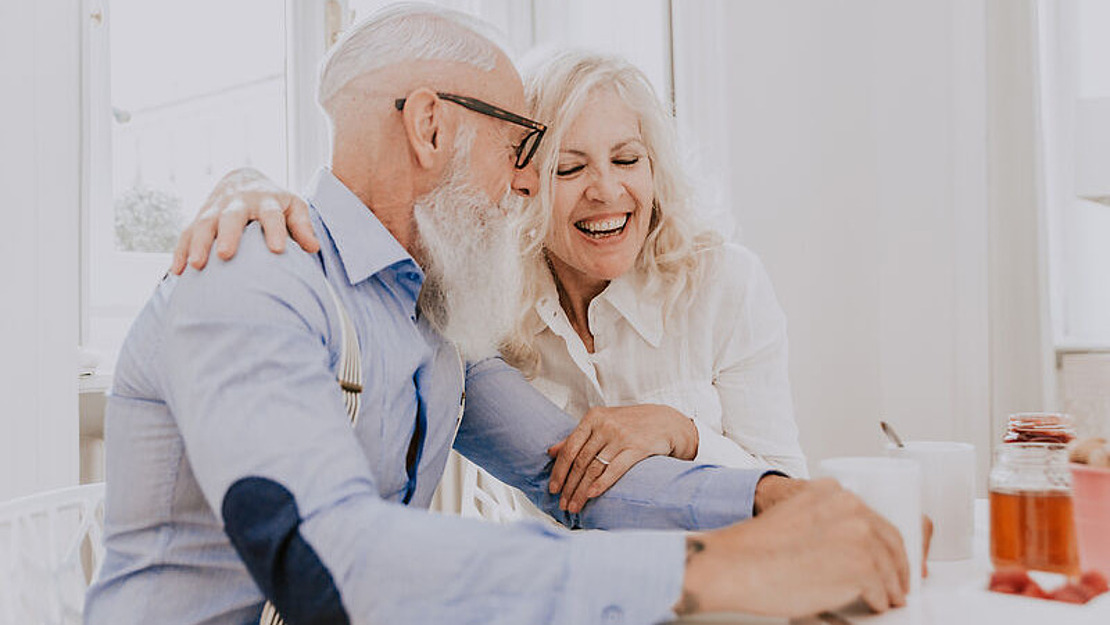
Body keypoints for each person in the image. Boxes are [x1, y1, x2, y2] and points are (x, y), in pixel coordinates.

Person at [87, 4, 913, 623]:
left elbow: (577, 477)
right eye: (521, 144)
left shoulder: (433, 322)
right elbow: (330, 561)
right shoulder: (251, 277)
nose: (525, 181)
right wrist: (712, 569)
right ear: (430, 127)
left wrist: (775, 502)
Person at [176, 52, 806, 518]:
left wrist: (687, 435)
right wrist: (245, 183)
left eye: (627, 159)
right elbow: (361, 235)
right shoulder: (472, 305)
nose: (607, 189)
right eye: (567, 168)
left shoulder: (723, 285)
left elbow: (784, 494)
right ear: (521, 180)